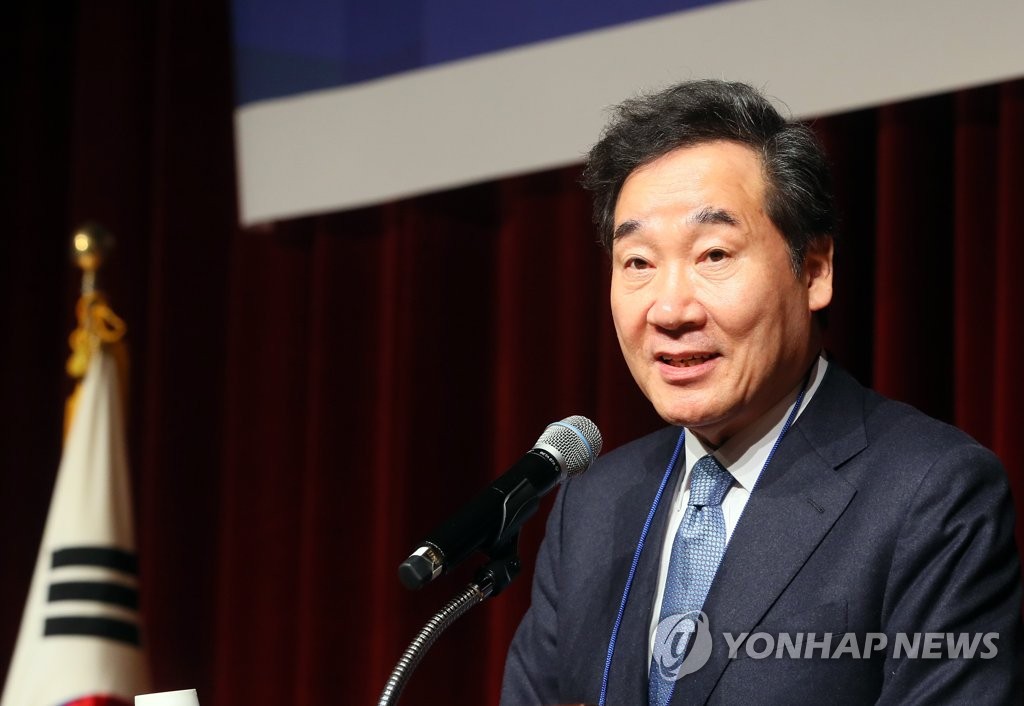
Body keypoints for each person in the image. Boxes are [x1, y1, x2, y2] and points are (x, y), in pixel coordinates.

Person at [500, 80, 1022, 705]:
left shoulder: (931, 492)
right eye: (638, 262)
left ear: (815, 270)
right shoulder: (592, 505)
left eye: (714, 254)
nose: (669, 309)